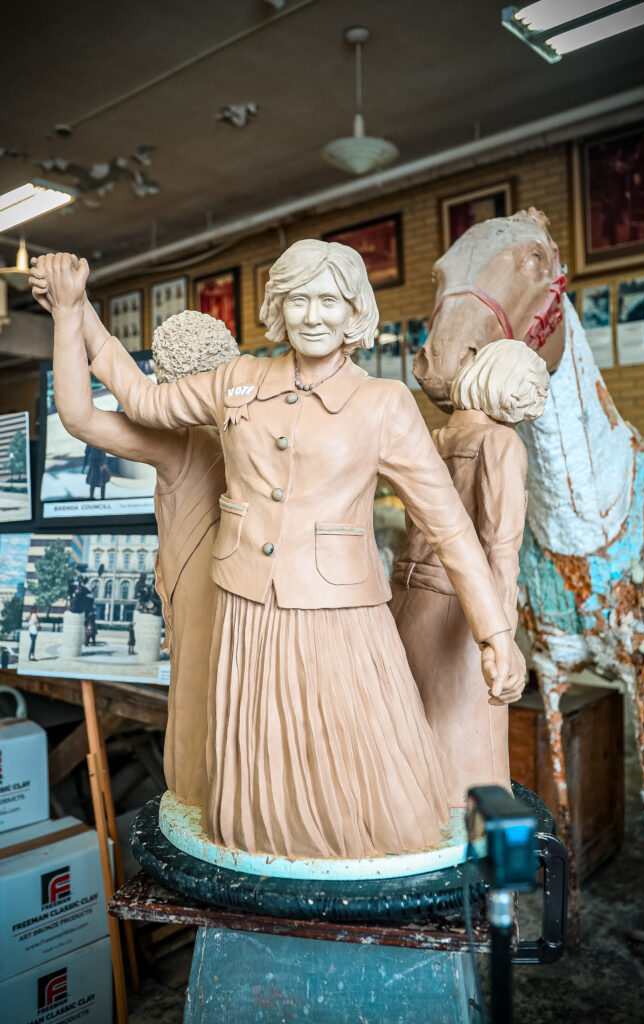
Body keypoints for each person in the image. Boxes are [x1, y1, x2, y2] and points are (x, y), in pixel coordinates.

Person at [35, 241, 525, 863]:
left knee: (363, 786)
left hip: (341, 617)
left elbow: (451, 528)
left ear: (355, 315)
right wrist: (74, 312)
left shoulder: (385, 405)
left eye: (329, 300)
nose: (313, 315)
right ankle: (264, 860)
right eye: (298, 298)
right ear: (278, 307)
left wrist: (494, 633)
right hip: (247, 608)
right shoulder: (237, 380)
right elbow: (131, 397)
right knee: (259, 770)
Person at [29, 254, 238, 810]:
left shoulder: (177, 441)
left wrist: (70, 314)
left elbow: (78, 415)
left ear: (169, 382)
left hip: (205, 597)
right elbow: (114, 361)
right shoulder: (246, 420)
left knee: (199, 719)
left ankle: (204, 806)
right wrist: (74, 307)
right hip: (255, 591)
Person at [391, 339, 549, 805]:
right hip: (463, 607)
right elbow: (502, 548)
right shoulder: (500, 443)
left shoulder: (432, 439)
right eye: (531, 390)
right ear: (504, 385)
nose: (535, 403)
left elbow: (414, 524)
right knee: (469, 757)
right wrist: (503, 640)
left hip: (406, 593)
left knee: (413, 725)